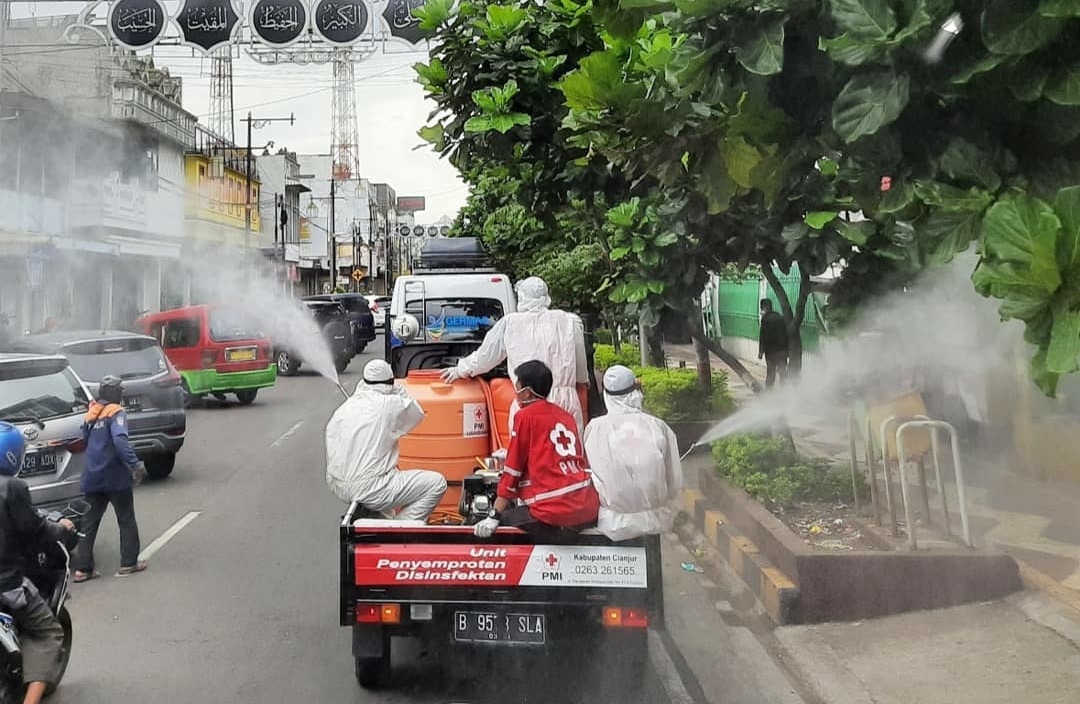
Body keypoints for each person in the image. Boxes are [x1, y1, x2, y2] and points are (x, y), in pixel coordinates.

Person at [441, 277, 589, 434]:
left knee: (528, 453)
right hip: (565, 403)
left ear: (522, 297)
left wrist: (460, 369)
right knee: (566, 453)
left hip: (529, 402)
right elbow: (581, 372)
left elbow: (485, 358)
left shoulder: (510, 324)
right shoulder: (569, 321)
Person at [473, 360, 600, 539]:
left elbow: (512, 470)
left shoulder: (525, 416)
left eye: (517, 387)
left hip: (554, 509)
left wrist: (494, 516)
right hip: (586, 505)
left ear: (526, 392)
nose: (516, 393)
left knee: (498, 530)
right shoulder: (566, 416)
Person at [0, 421, 76, 704]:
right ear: (13, 454)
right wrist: (63, 529)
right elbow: (36, 529)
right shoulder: (12, 487)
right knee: (48, 632)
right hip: (7, 586)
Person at [325, 360, 447, 522]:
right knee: (436, 484)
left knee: (385, 492)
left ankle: (380, 523)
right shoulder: (390, 403)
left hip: (337, 484)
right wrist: (398, 389)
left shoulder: (347, 406)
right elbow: (416, 415)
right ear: (390, 382)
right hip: (370, 487)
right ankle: (398, 530)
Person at [583, 365, 683, 541]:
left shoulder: (594, 428)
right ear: (636, 392)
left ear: (606, 395)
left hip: (612, 523)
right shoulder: (657, 426)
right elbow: (674, 481)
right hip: (655, 521)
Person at [72, 376, 147, 582]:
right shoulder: (116, 413)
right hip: (115, 476)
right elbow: (120, 440)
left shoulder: (91, 413)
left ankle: (82, 569)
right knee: (126, 518)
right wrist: (135, 464)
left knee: (89, 523)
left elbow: (87, 440)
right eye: (120, 391)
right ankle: (128, 563)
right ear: (115, 394)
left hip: (93, 476)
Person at [758, 299, 789, 388]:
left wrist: (761, 352)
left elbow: (762, 336)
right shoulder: (780, 317)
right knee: (783, 372)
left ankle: (769, 394)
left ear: (764, 307)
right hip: (782, 351)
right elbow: (786, 334)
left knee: (771, 373)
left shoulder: (765, 319)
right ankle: (785, 392)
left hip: (771, 352)